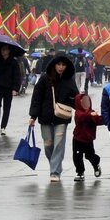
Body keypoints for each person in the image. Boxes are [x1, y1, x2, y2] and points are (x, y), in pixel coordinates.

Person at [28, 53, 79, 183]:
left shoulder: (69, 80)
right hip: (45, 117)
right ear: (54, 65)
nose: (61, 67)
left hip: (62, 117)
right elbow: (36, 97)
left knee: (58, 145)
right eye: (58, 64)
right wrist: (33, 116)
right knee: (48, 144)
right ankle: (55, 164)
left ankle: (55, 171)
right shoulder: (45, 79)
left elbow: (76, 99)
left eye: (63, 65)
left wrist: (83, 110)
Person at [71, 92, 103, 182]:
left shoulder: (92, 112)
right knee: (77, 156)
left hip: (88, 139)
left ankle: (96, 164)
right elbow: (80, 117)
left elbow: (98, 120)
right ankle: (80, 172)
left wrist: (105, 119)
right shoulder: (78, 112)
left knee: (90, 155)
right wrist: (89, 115)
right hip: (78, 138)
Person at [0, 45, 21, 135]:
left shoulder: (14, 62)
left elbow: (17, 76)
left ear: (9, 51)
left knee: (6, 108)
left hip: (8, 88)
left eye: (5, 50)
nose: (3, 51)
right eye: (2, 49)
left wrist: (15, 88)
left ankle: (3, 127)